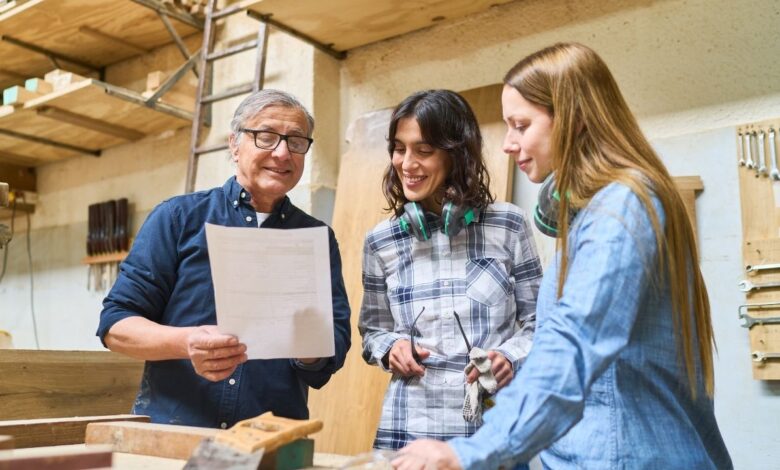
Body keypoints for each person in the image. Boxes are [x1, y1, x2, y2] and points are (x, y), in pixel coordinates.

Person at [392, 43, 732, 469]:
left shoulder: (623, 205)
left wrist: (469, 453)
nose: (508, 145)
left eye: (520, 125)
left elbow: (576, 343)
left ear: (575, 118)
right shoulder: (589, 216)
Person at [97, 89, 351, 429]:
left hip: (269, 439)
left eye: (296, 141)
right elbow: (116, 325)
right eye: (266, 137)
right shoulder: (178, 218)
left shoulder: (315, 237)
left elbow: (334, 343)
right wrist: (187, 343)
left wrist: (309, 346)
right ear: (234, 144)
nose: (282, 153)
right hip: (177, 433)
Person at [359, 89, 542, 450]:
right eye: (399, 149)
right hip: (407, 433)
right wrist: (391, 347)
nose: (407, 163)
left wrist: (509, 357)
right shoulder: (381, 242)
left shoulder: (509, 225)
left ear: (456, 154)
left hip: (492, 434)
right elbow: (373, 330)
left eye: (424, 151)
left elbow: (542, 324)